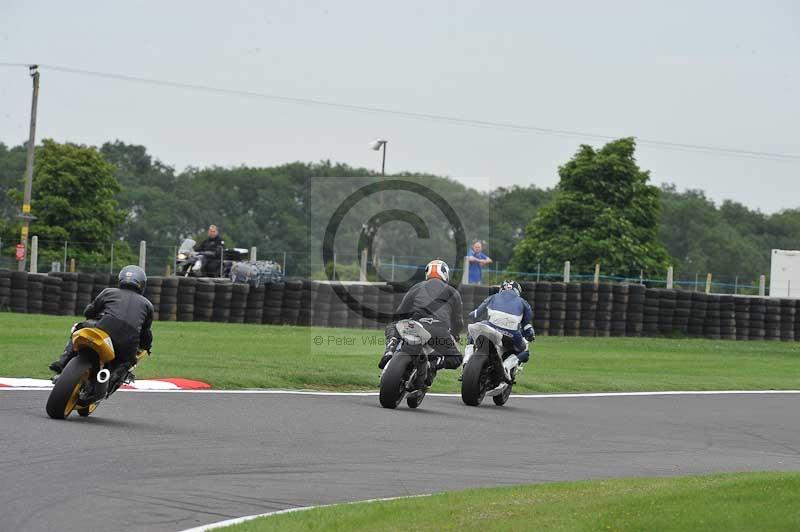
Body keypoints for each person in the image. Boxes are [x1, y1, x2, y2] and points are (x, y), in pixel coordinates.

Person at [49, 265, 154, 380]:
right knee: (129, 362)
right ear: (142, 284)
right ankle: (115, 377)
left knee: (78, 327)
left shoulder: (108, 292)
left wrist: (98, 315)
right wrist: (147, 346)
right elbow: (145, 333)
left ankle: (62, 361)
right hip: (128, 341)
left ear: (121, 279)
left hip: (105, 329)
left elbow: (89, 312)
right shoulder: (147, 305)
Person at [379, 259, 464, 379]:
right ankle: (433, 365)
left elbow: (401, 311)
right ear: (445, 274)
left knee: (393, 325)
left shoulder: (417, 287)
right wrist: (455, 335)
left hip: (416, 324)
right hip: (439, 330)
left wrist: (401, 321)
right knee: (456, 358)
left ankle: (391, 347)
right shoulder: (453, 292)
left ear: (427, 273)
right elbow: (458, 322)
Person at [467, 279, 534, 365]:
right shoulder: (524, 303)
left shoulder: (493, 297)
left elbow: (475, 315)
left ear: (502, 289)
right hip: (512, 334)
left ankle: (466, 360)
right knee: (525, 352)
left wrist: (470, 316)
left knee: (471, 334)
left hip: (490, 327)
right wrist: (530, 335)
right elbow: (527, 327)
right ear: (518, 291)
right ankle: (508, 365)